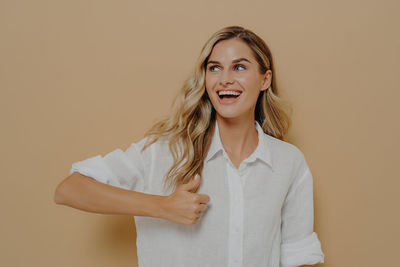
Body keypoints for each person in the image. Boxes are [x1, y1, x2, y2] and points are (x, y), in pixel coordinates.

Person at [54, 25, 325, 267]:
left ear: (265, 80)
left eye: (239, 67)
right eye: (214, 67)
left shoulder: (289, 162)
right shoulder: (167, 151)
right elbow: (69, 189)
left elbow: (296, 256)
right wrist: (162, 206)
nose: (224, 79)